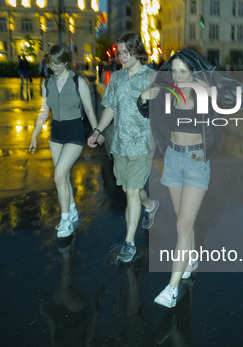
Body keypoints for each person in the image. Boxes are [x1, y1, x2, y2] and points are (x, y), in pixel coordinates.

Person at [145, 49, 225, 308]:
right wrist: (143, 97)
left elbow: (229, 98)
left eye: (183, 70)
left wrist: (205, 82)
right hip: (172, 159)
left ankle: (171, 287)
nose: (178, 75)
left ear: (193, 70)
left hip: (196, 162)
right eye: (174, 70)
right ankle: (190, 259)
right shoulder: (167, 92)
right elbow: (148, 112)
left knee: (181, 228)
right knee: (183, 222)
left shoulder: (204, 92)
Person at [87, 32, 159, 263]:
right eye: (119, 53)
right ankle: (151, 205)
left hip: (143, 144)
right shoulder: (116, 79)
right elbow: (109, 108)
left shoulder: (153, 78)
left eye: (126, 52)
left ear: (138, 51)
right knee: (134, 190)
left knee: (131, 192)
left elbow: (164, 112)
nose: (122, 57)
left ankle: (129, 242)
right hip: (119, 145)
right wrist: (98, 131)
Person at [29, 44, 103, 238]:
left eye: (57, 63)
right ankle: (71, 209)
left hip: (74, 133)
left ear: (66, 62)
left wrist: (96, 131)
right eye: (50, 63)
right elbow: (44, 110)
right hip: (56, 134)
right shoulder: (47, 83)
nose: (53, 67)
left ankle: (65, 221)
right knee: (64, 177)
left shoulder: (79, 82)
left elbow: (88, 109)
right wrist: (34, 134)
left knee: (59, 176)